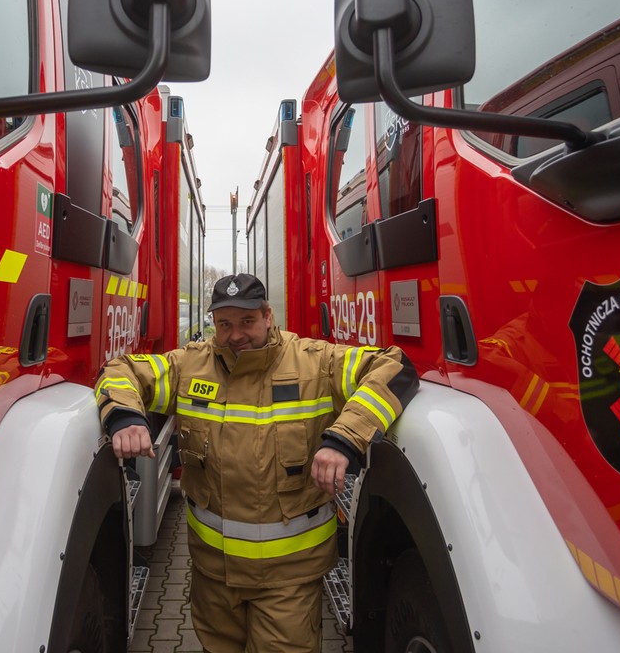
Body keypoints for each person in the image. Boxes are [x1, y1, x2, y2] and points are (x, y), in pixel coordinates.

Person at [95, 274, 418, 652]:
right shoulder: (190, 366)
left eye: (246, 321)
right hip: (213, 577)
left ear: (268, 315)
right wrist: (126, 418)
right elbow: (119, 371)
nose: (235, 335)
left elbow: (396, 368)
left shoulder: (315, 363)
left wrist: (344, 439)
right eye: (224, 324)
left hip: (289, 580)